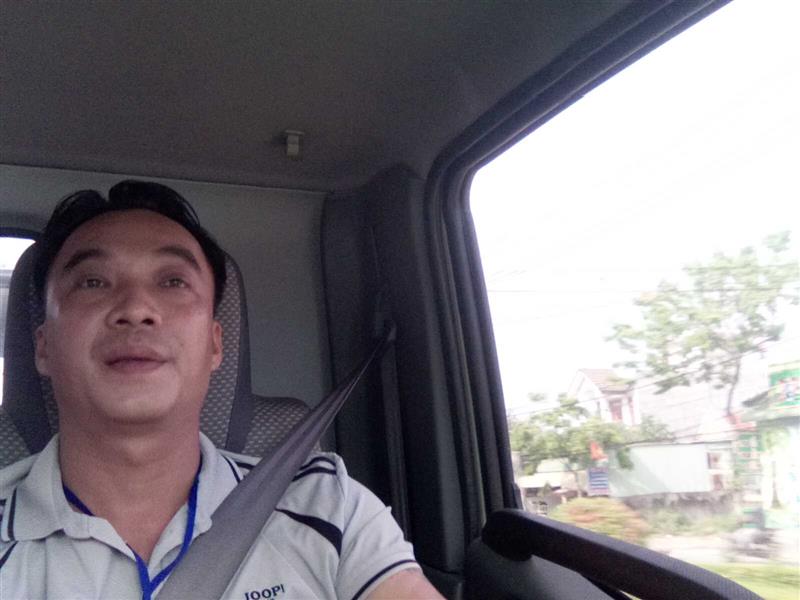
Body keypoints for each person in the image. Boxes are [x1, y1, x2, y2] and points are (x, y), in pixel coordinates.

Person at [0, 180, 442, 599]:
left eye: (172, 281)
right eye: (93, 281)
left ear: (215, 345)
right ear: (43, 346)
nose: (136, 308)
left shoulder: (328, 506)